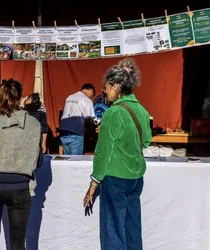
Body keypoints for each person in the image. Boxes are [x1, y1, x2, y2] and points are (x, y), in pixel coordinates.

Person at [83, 58, 152, 250]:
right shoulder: (143, 111)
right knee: (132, 228)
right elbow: (146, 141)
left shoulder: (113, 113)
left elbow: (103, 152)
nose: (104, 92)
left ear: (116, 86)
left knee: (113, 231)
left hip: (116, 178)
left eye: (106, 87)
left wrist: (93, 184)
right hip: (136, 177)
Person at [0, 78, 42, 250]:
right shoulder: (34, 124)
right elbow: (39, 160)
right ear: (20, 98)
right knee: (18, 243)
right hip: (20, 187)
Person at [59, 83, 96, 155]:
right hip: (76, 133)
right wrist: (93, 136)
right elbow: (90, 120)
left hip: (63, 132)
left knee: (68, 160)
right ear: (91, 91)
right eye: (92, 96)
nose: (92, 98)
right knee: (76, 162)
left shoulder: (69, 97)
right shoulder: (87, 100)